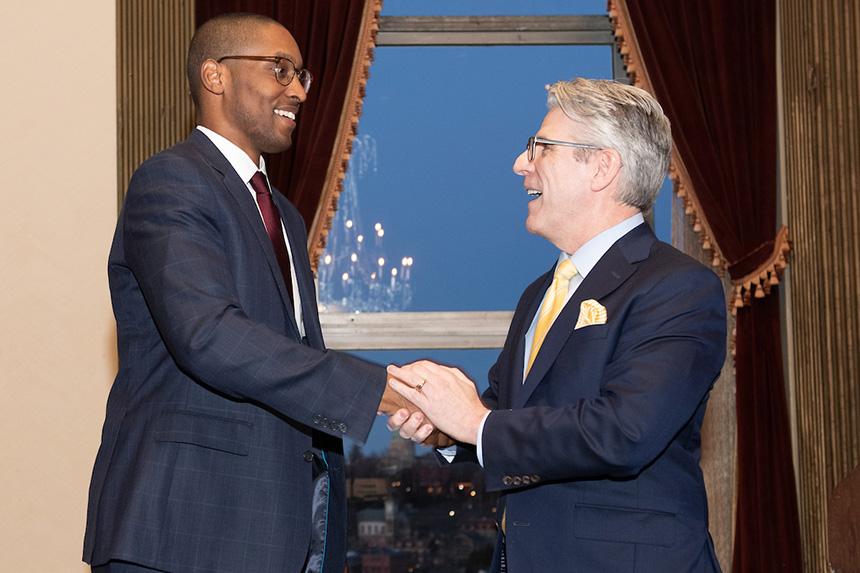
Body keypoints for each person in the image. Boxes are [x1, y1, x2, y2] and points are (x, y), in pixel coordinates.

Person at [83, 13, 427, 573]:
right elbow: (209, 336)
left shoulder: (286, 215)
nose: (297, 90)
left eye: (303, 76)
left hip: (284, 528)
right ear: (215, 76)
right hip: (186, 528)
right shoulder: (170, 181)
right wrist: (378, 391)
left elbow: (293, 358)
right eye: (280, 69)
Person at [387, 78, 727, 572]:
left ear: (602, 167)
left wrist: (475, 423)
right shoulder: (540, 293)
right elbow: (507, 416)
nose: (520, 164)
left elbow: (625, 431)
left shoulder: (679, 287)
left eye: (540, 148)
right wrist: (447, 431)